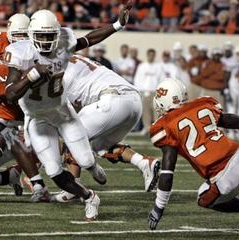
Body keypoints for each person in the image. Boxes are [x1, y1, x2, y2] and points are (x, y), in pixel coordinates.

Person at [4, 3, 133, 221]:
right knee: (54, 170)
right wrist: (31, 76)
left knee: (83, 160)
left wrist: (118, 24)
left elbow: (89, 39)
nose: (45, 41)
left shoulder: (64, 41)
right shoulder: (20, 52)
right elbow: (10, 94)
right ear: (31, 35)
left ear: (57, 34)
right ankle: (89, 197)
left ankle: (91, 165)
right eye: (40, 37)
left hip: (62, 112)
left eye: (49, 36)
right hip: (37, 118)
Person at [53, 55, 160, 202]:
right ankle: (143, 163)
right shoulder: (76, 59)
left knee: (72, 137)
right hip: (134, 101)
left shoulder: (60, 74)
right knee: (101, 147)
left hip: (113, 100)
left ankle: (74, 186)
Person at [148, 78, 239, 230]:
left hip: (223, 177)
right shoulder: (203, 104)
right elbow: (226, 119)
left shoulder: (165, 126)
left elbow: (167, 173)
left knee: (203, 199)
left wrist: (159, 207)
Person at [0, 13, 50, 202]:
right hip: (3, 95)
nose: (20, 39)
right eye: (17, 34)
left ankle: (36, 181)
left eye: (24, 35)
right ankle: (5, 175)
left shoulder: (38, 48)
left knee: (42, 143)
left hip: (30, 103)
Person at [133, 48, 164, 136]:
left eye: (152, 55)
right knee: (145, 111)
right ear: (147, 55)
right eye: (149, 55)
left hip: (155, 92)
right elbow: (137, 79)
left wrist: (159, 91)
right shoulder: (142, 66)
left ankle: (157, 128)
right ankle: (146, 127)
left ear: (154, 56)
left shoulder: (158, 67)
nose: (151, 57)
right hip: (145, 91)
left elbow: (162, 79)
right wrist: (139, 91)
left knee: (156, 111)